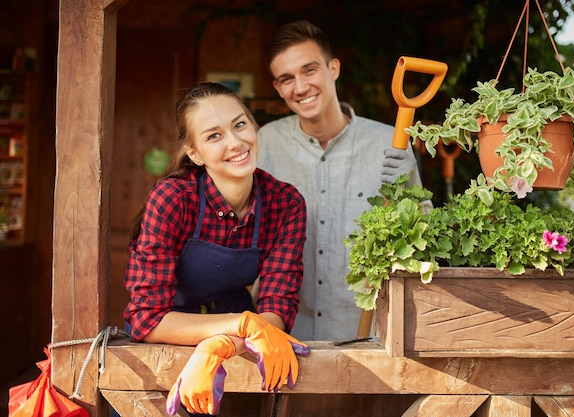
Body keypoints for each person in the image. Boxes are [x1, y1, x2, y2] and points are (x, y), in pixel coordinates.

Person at [123, 82, 309, 416]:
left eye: (239, 125)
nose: (236, 143)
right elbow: (146, 320)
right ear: (194, 153)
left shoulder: (286, 203)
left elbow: (277, 310)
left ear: (253, 125)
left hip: (240, 357)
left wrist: (222, 345)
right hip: (164, 350)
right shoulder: (174, 199)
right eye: (214, 136)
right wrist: (242, 325)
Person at [257, 20, 427, 342]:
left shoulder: (390, 144)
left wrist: (409, 191)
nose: (300, 87)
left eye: (310, 70)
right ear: (278, 88)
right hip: (287, 341)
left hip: (370, 340)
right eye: (286, 79)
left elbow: (424, 238)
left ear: (333, 68)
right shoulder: (264, 144)